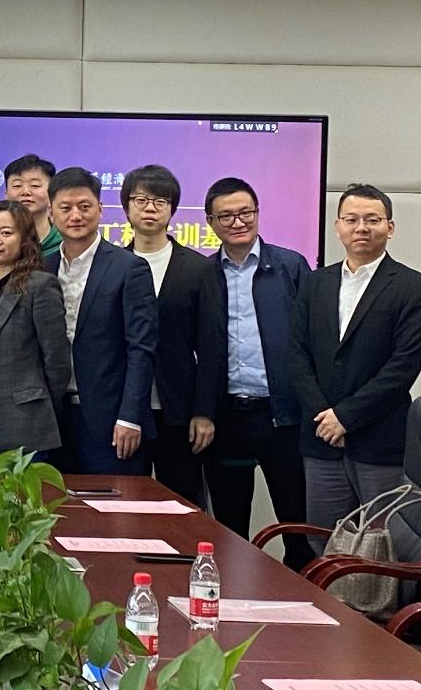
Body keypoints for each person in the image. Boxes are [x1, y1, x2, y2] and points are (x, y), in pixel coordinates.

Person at [290, 184, 421, 543]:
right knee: (323, 541)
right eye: (351, 219)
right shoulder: (315, 283)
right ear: (337, 226)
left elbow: (402, 368)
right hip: (321, 437)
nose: (361, 228)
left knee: (380, 544)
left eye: (372, 220)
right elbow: (296, 353)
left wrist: (345, 417)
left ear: (390, 227)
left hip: (379, 439)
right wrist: (324, 416)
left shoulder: (414, 287)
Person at [201, 176, 313, 569]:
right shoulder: (202, 273)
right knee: (229, 528)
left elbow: (313, 338)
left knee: (298, 524)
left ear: (258, 213)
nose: (238, 222)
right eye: (226, 216)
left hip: (283, 417)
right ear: (210, 222)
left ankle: (305, 595)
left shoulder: (290, 266)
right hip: (228, 418)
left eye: (245, 212)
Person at [43, 167, 157, 475]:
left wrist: (130, 416)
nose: (75, 216)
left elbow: (141, 348)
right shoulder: (41, 268)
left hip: (111, 420)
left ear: (100, 209)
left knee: (115, 504)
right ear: (51, 213)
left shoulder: (129, 268)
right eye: (65, 208)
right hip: (53, 418)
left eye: (85, 206)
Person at [121, 165, 223, 505]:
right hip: (125, 409)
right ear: (127, 208)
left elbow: (211, 346)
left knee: (181, 505)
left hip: (178, 410)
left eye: (160, 201)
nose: (150, 208)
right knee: (124, 503)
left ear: (172, 210)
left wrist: (204, 412)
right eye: (141, 200)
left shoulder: (199, 268)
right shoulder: (113, 265)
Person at [0, 200, 70, 460]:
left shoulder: (40, 285)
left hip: (25, 422)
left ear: (25, 239)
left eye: (6, 233)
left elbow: (56, 360)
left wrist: (39, 404)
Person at [4, 154, 63, 259]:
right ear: (6, 194)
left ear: (52, 193)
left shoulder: (66, 244)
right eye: (17, 185)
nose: (25, 192)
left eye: (35, 185)